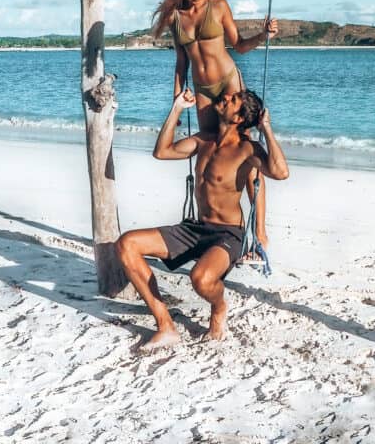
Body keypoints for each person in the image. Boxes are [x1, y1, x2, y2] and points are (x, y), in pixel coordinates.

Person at [116, 86, 289, 348]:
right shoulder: (203, 141)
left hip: (228, 234)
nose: (226, 97)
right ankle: (166, 325)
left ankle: (219, 307)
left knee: (201, 279)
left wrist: (266, 129)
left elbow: (280, 172)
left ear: (239, 118)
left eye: (234, 100)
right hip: (195, 229)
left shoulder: (247, 150)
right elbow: (162, 152)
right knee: (127, 244)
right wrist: (176, 108)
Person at [152, 0, 278, 243]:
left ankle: (259, 230)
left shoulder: (219, 6)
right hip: (203, 90)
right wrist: (177, 96)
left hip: (229, 82)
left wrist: (263, 35)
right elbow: (181, 60)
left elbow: (240, 46)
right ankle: (215, 221)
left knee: (244, 151)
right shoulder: (175, 16)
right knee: (210, 146)